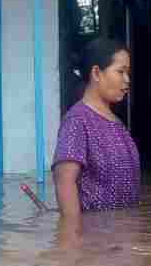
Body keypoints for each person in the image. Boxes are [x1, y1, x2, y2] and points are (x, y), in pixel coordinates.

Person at [52, 39, 141, 222]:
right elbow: (65, 182)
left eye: (128, 72)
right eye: (120, 71)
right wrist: (72, 238)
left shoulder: (116, 123)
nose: (127, 79)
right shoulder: (77, 121)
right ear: (96, 73)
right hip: (96, 241)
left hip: (122, 237)